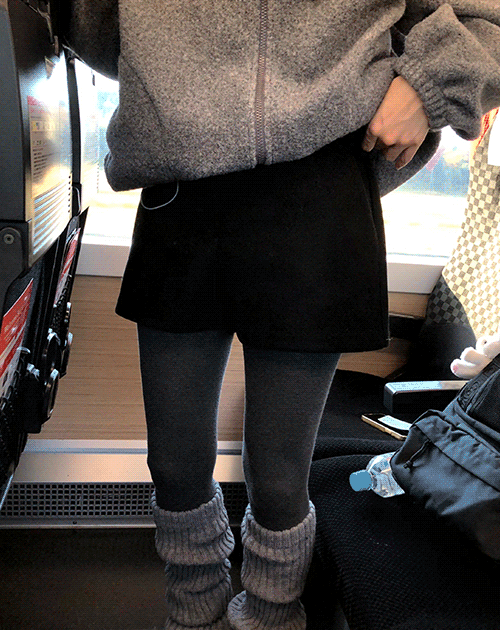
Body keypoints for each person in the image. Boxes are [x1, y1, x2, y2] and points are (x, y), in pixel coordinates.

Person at [61, 2, 500, 629]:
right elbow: (98, 24)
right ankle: (192, 611)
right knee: (174, 465)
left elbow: (488, 20)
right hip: (183, 195)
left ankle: (271, 615)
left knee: (278, 475)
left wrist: (426, 87)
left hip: (320, 198)